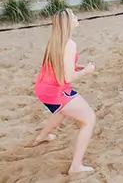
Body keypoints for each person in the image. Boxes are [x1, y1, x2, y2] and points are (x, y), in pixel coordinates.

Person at [33, 9, 97, 175]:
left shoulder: (56, 40)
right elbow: (68, 78)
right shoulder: (69, 44)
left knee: (61, 111)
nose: (77, 17)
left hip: (43, 88)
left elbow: (61, 65)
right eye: (74, 16)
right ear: (68, 23)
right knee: (89, 119)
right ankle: (76, 166)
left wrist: (77, 67)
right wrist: (86, 71)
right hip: (55, 90)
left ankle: (42, 136)